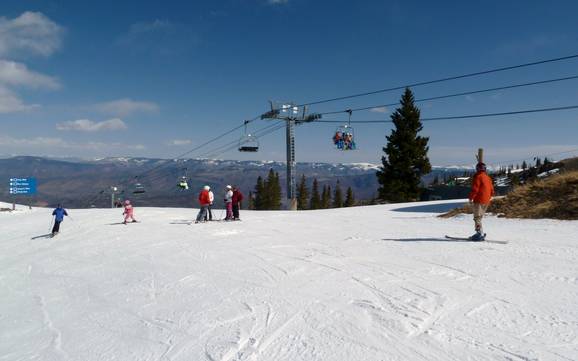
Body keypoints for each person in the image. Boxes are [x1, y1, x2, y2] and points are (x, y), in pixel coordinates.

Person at [468, 162, 494, 241]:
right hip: (486, 200)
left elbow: (475, 189)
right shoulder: (488, 177)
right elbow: (492, 190)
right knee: (480, 217)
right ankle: (481, 232)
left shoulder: (478, 177)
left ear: (477, 169)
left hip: (479, 200)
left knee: (477, 218)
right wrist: (488, 197)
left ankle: (479, 234)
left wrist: (471, 198)